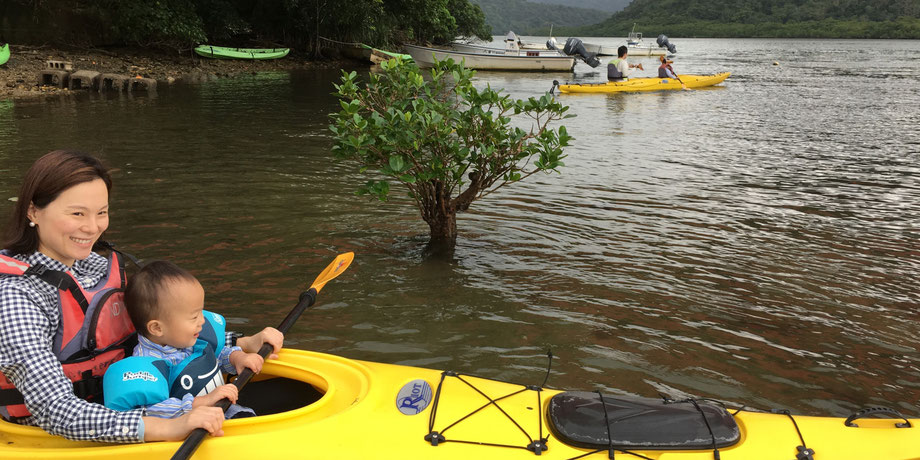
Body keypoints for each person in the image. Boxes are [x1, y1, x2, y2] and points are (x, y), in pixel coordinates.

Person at [0, 150, 283, 443]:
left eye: (101, 212)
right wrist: (170, 427)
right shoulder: (15, 297)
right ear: (33, 211)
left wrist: (239, 343)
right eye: (77, 213)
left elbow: (160, 323)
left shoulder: (94, 266)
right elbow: (56, 411)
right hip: (61, 437)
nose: (92, 227)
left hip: (144, 401)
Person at [103, 260, 268, 420]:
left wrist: (237, 358)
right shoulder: (147, 363)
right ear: (157, 328)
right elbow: (151, 410)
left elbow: (214, 356)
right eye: (194, 316)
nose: (202, 321)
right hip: (192, 430)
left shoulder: (186, 339)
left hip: (226, 410)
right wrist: (202, 402)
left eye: (201, 312)